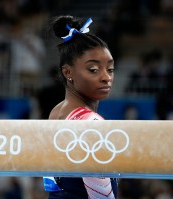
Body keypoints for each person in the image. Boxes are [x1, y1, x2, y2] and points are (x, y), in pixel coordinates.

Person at [42, 15, 118, 198]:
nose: (106, 77)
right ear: (68, 72)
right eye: (93, 69)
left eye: (110, 69)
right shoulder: (90, 123)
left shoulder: (57, 111)